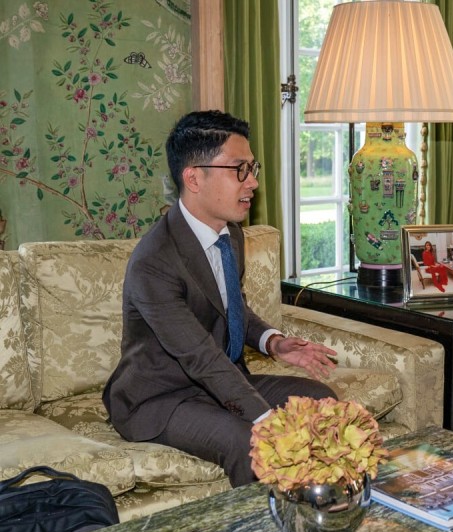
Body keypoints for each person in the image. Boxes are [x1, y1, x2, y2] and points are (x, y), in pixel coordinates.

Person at [103, 110, 339, 488]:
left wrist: (273, 342)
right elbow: (199, 355)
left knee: (323, 405)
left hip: (221, 381)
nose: (253, 182)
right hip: (164, 397)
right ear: (194, 178)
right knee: (251, 442)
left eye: (252, 168)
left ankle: (324, 504)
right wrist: (267, 420)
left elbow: (233, 307)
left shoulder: (231, 234)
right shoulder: (154, 262)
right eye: (239, 169)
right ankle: (261, 527)